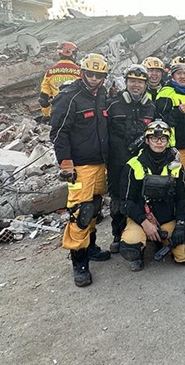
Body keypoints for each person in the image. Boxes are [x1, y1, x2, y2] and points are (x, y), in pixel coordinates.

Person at [50, 53, 110, 287]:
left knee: (94, 207)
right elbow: (59, 132)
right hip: (80, 166)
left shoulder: (103, 95)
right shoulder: (69, 97)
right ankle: (79, 261)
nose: (94, 79)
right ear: (82, 73)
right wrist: (65, 163)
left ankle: (91, 246)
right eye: (91, 74)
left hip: (100, 163)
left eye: (99, 75)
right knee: (80, 212)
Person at [118, 120, 185, 271]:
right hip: (142, 218)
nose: (159, 142)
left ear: (168, 141)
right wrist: (144, 222)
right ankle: (139, 248)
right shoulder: (133, 165)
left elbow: (181, 198)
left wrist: (180, 224)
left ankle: (162, 240)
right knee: (130, 244)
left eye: (163, 139)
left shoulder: (176, 166)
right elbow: (126, 203)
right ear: (147, 140)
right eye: (154, 138)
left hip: (167, 218)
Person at [106, 64, 157, 254]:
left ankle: (140, 230)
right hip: (117, 163)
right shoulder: (112, 104)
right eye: (133, 81)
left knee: (141, 195)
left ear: (145, 84)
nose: (136, 85)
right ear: (126, 82)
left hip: (141, 162)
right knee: (118, 199)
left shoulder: (150, 107)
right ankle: (118, 235)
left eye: (140, 82)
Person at [156, 56, 185, 202]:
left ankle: (183, 210)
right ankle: (172, 213)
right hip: (176, 147)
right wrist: (177, 112)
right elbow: (161, 122)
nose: (182, 76)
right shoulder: (165, 94)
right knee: (174, 182)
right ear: (173, 75)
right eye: (179, 73)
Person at [38, 42, 81, 123]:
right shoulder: (79, 71)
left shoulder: (50, 72)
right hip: (77, 111)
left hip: (57, 111)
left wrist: (47, 115)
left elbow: (43, 98)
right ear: (72, 54)